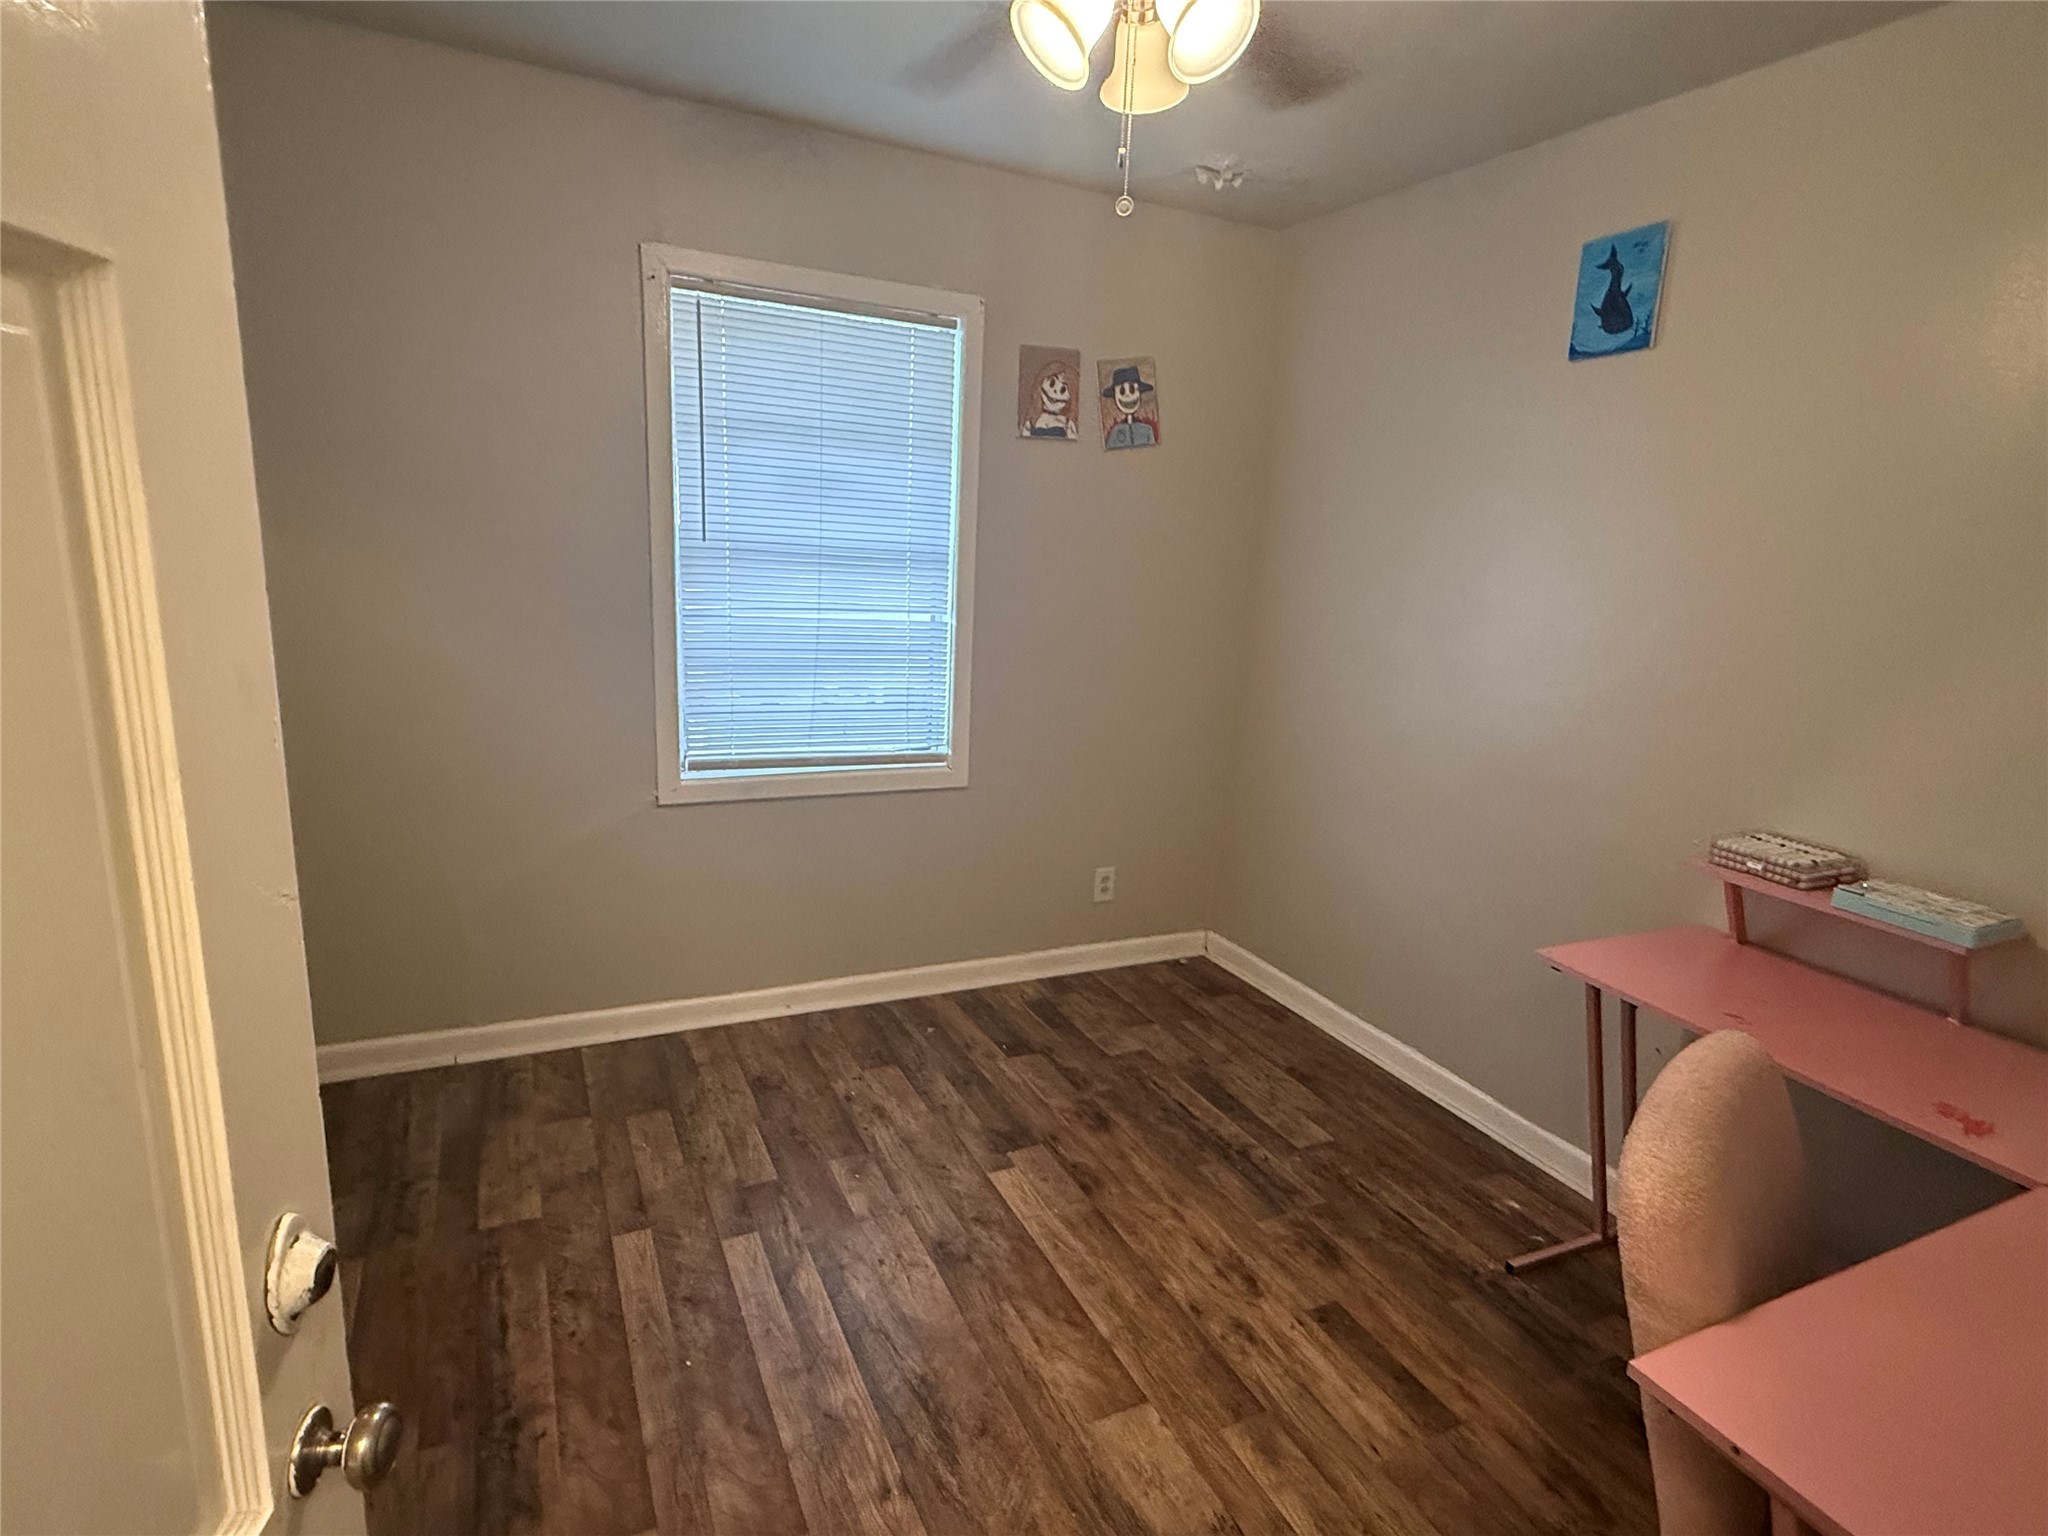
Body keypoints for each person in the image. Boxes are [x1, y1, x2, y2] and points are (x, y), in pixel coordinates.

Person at [1101, 364, 1158, 449]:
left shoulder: (1147, 430)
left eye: (1132, 390)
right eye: (1122, 391)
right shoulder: (1115, 432)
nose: (1127, 396)